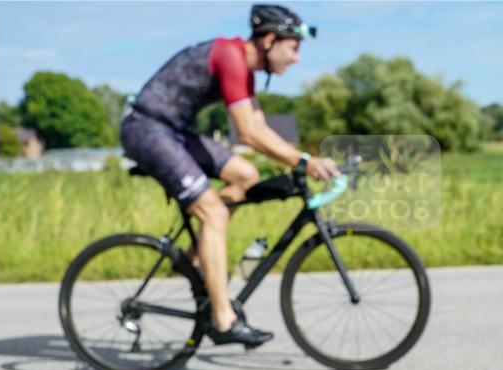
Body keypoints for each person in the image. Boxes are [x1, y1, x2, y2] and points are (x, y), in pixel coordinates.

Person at [121, 4, 340, 348]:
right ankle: (222, 320)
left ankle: (195, 258)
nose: (297, 58)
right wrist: (304, 161)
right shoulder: (230, 56)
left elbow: (259, 126)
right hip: (147, 129)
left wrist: (298, 159)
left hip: (172, 131)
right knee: (214, 212)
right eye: (294, 48)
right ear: (269, 40)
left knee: (245, 174)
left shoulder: (243, 66)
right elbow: (248, 133)